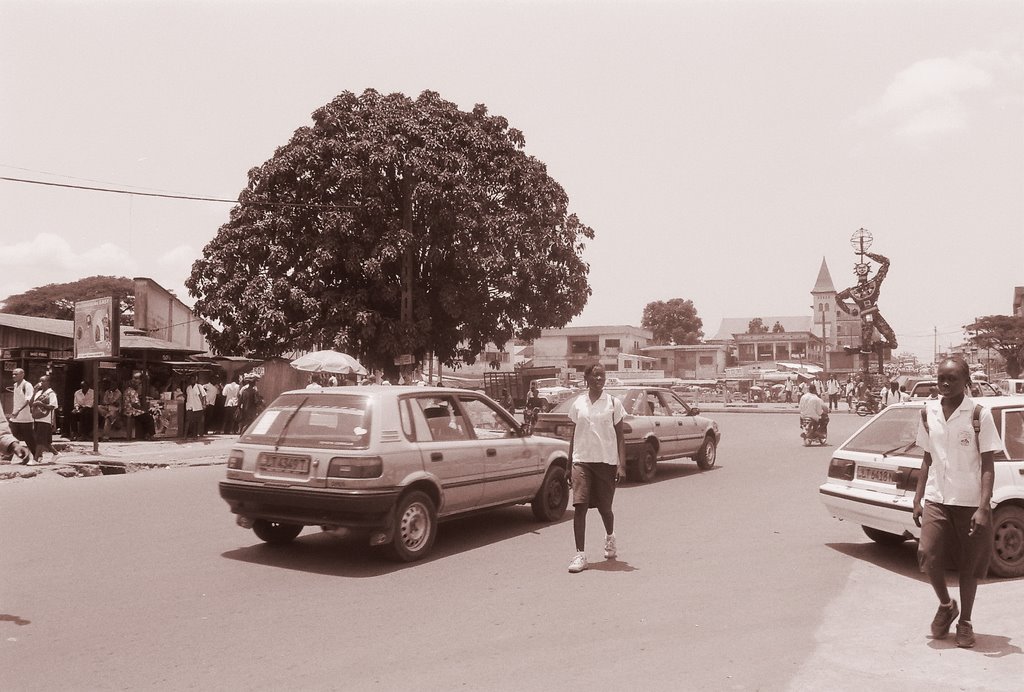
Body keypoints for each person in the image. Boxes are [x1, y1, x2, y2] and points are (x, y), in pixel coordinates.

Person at [912, 357, 1000, 648]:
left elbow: (988, 463)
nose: (945, 384)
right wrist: (917, 497)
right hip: (937, 498)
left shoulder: (978, 414)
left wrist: (983, 507)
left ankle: (966, 622)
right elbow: (927, 457)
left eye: (951, 379)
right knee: (927, 554)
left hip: (969, 501)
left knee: (969, 565)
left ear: (966, 382)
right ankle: (947, 605)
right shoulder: (928, 412)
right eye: (941, 379)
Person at [567, 364, 627, 574]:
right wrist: (569, 465)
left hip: (606, 462)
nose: (599, 378)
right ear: (587, 379)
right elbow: (574, 435)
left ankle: (610, 537)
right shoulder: (578, 403)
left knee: (605, 508)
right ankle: (580, 554)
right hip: (582, 460)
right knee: (580, 506)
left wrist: (621, 464)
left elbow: (620, 436)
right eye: (595, 375)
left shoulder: (613, 403)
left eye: (602, 375)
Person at [30, 374, 60, 463]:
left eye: (43, 381)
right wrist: (34, 392)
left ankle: (35, 459)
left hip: (45, 419)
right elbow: (31, 403)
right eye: (40, 381)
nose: (41, 383)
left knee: (40, 440)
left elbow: (52, 406)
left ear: (48, 383)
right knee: (44, 441)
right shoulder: (39, 393)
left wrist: (41, 404)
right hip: (37, 418)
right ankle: (56, 453)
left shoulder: (51, 393)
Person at [8, 368, 36, 454]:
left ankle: (37, 455)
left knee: (29, 439)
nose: (13, 376)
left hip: (25, 418)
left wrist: (18, 411)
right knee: (12, 438)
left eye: (16, 374)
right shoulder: (15, 385)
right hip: (15, 418)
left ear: (22, 374)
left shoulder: (27, 385)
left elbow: (28, 400)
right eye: (13, 374)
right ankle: (8, 457)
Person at [1, 396, 34, 465]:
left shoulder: (26, 386)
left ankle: (37, 456)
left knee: (31, 438)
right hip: (17, 419)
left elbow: (1, 428)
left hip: (25, 419)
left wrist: (13, 445)